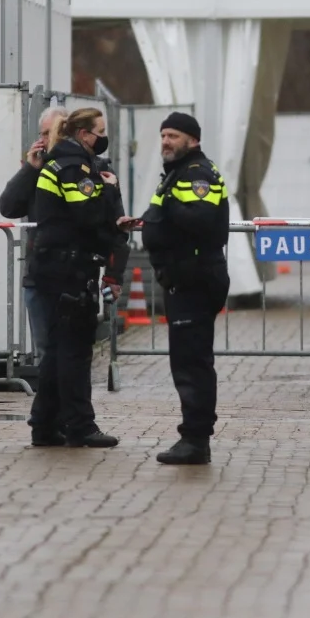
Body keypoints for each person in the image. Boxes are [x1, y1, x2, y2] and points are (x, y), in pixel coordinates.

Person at [119, 111, 229, 465]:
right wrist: (149, 219)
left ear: (193, 140)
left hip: (195, 279)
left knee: (192, 363)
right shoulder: (178, 174)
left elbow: (200, 218)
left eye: (174, 136)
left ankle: (196, 440)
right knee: (186, 360)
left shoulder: (197, 174)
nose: (166, 141)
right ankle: (194, 434)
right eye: (163, 135)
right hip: (183, 279)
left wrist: (160, 213)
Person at [27, 107, 127, 448]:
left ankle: (43, 425)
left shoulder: (62, 161)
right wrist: (109, 192)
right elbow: (88, 215)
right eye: (100, 131)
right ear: (85, 134)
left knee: (57, 352)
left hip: (59, 269)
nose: (103, 137)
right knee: (74, 353)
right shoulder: (74, 167)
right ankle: (80, 425)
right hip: (66, 272)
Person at [0, 105, 65, 443]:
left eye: (48, 133)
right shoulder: (36, 169)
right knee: (46, 354)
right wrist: (29, 169)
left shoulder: (78, 167)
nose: (42, 139)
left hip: (68, 274)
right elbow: (8, 206)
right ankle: (49, 423)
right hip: (37, 276)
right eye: (40, 133)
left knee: (63, 353)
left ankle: (55, 420)